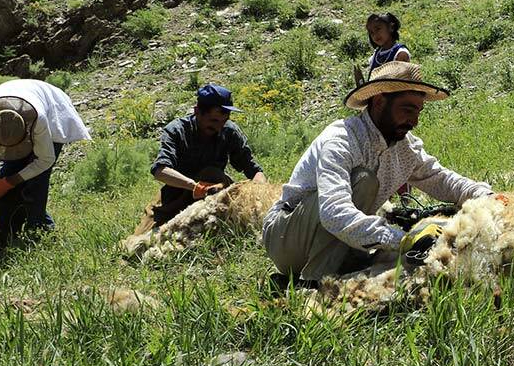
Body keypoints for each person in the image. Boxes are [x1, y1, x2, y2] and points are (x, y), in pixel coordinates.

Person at [263, 61, 495, 287]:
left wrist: (484, 196)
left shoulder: (404, 146)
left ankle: (345, 273)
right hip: (287, 240)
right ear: (379, 101)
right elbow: (334, 212)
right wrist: (400, 240)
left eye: (418, 111)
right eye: (407, 110)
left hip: (337, 240)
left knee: (415, 258)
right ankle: (315, 283)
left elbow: (440, 178)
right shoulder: (341, 140)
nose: (414, 121)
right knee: (363, 181)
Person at [0, 78, 90, 247]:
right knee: (6, 178)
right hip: (20, 96)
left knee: (35, 185)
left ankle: (40, 232)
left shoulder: (39, 120)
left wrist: (9, 182)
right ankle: (8, 231)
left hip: (52, 105)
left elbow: (45, 160)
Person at [135, 84, 267, 233]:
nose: (219, 127)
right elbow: (160, 171)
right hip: (177, 192)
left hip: (217, 193)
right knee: (143, 239)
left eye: (224, 121)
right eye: (213, 122)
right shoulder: (176, 131)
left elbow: (253, 169)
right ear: (197, 111)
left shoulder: (229, 130)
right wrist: (196, 187)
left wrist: (260, 191)